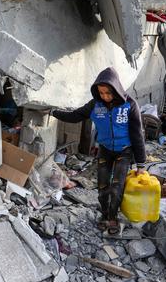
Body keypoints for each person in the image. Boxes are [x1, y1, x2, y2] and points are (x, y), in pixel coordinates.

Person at [49, 67, 146, 234]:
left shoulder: (129, 105)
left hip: (125, 150)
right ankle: (104, 214)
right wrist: (53, 112)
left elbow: (137, 133)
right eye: (101, 93)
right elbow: (75, 116)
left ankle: (113, 217)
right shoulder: (95, 105)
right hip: (105, 150)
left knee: (116, 187)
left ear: (116, 89)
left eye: (108, 93)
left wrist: (141, 163)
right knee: (102, 187)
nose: (105, 96)